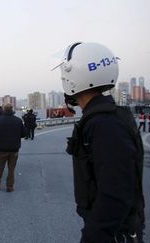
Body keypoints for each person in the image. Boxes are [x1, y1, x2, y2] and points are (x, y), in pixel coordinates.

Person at [60, 42, 145, 242]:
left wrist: (94, 235)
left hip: (112, 232)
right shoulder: (107, 117)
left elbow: (116, 190)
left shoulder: (103, 124)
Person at [0, 104, 25, 192]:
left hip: (2, 149)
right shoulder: (18, 120)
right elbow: (24, 134)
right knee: (11, 169)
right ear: (12, 110)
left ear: (4, 110)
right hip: (14, 149)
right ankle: (10, 187)